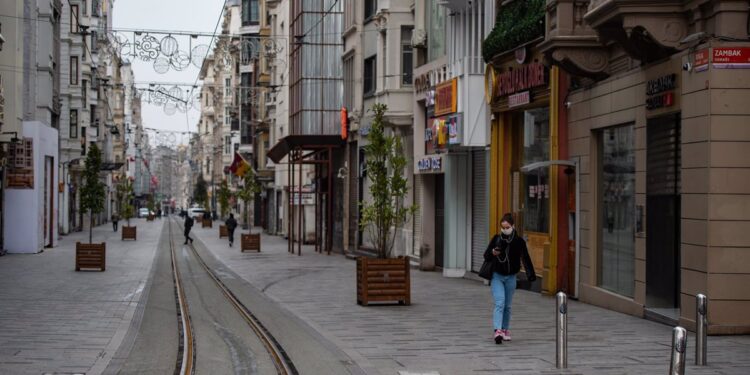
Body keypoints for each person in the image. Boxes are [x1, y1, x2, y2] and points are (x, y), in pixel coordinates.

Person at [484, 213, 536, 345]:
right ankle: (498, 331)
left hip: (511, 277)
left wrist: (530, 274)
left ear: (513, 226)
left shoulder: (519, 242)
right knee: (500, 302)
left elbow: (525, 258)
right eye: (502, 227)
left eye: (507, 227)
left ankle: (505, 330)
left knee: (507, 306)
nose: (504, 230)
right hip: (497, 276)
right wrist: (493, 253)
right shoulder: (496, 239)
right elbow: (486, 256)